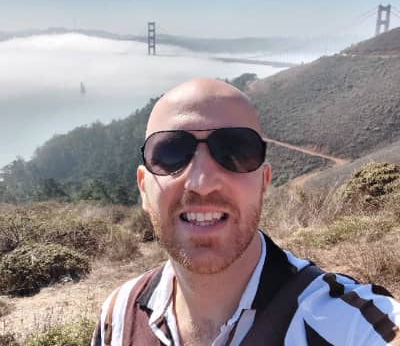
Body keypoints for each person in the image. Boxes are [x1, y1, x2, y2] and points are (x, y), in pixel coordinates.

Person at [92, 78, 400, 346]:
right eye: (171, 151)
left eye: (235, 151)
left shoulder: (351, 325)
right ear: (143, 189)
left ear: (263, 183)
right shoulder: (118, 318)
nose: (202, 183)